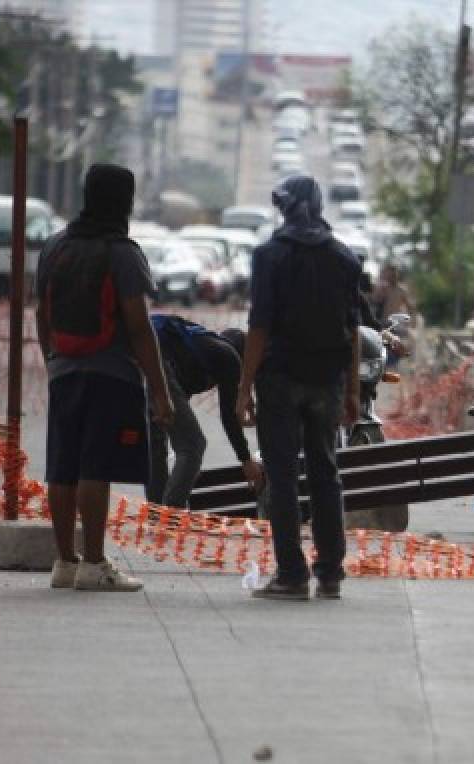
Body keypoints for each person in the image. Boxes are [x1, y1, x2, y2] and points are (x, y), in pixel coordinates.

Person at [36, 163, 173, 592]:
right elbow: (137, 326)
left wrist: (53, 360)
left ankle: (64, 561)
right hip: (111, 373)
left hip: (64, 368)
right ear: (124, 201)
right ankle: (93, 563)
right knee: (95, 466)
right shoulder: (123, 253)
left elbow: (42, 312)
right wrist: (160, 391)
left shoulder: (55, 247)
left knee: (62, 466)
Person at [236, 175, 362, 600]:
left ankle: (291, 574)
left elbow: (259, 327)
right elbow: (354, 329)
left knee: (283, 477)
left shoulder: (269, 256)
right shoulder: (344, 258)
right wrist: (352, 392)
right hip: (328, 380)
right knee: (326, 472)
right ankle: (330, 573)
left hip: (280, 378)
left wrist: (243, 387)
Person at [145, 317, 262, 508]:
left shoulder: (202, 350)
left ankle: (157, 516)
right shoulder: (229, 357)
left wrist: (186, 470)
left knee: (157, 446)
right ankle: (171, 514)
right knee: (193, 446)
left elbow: (179, 412)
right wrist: (246, 460)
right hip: (158, 361)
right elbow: (229, 417)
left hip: (145, 358)